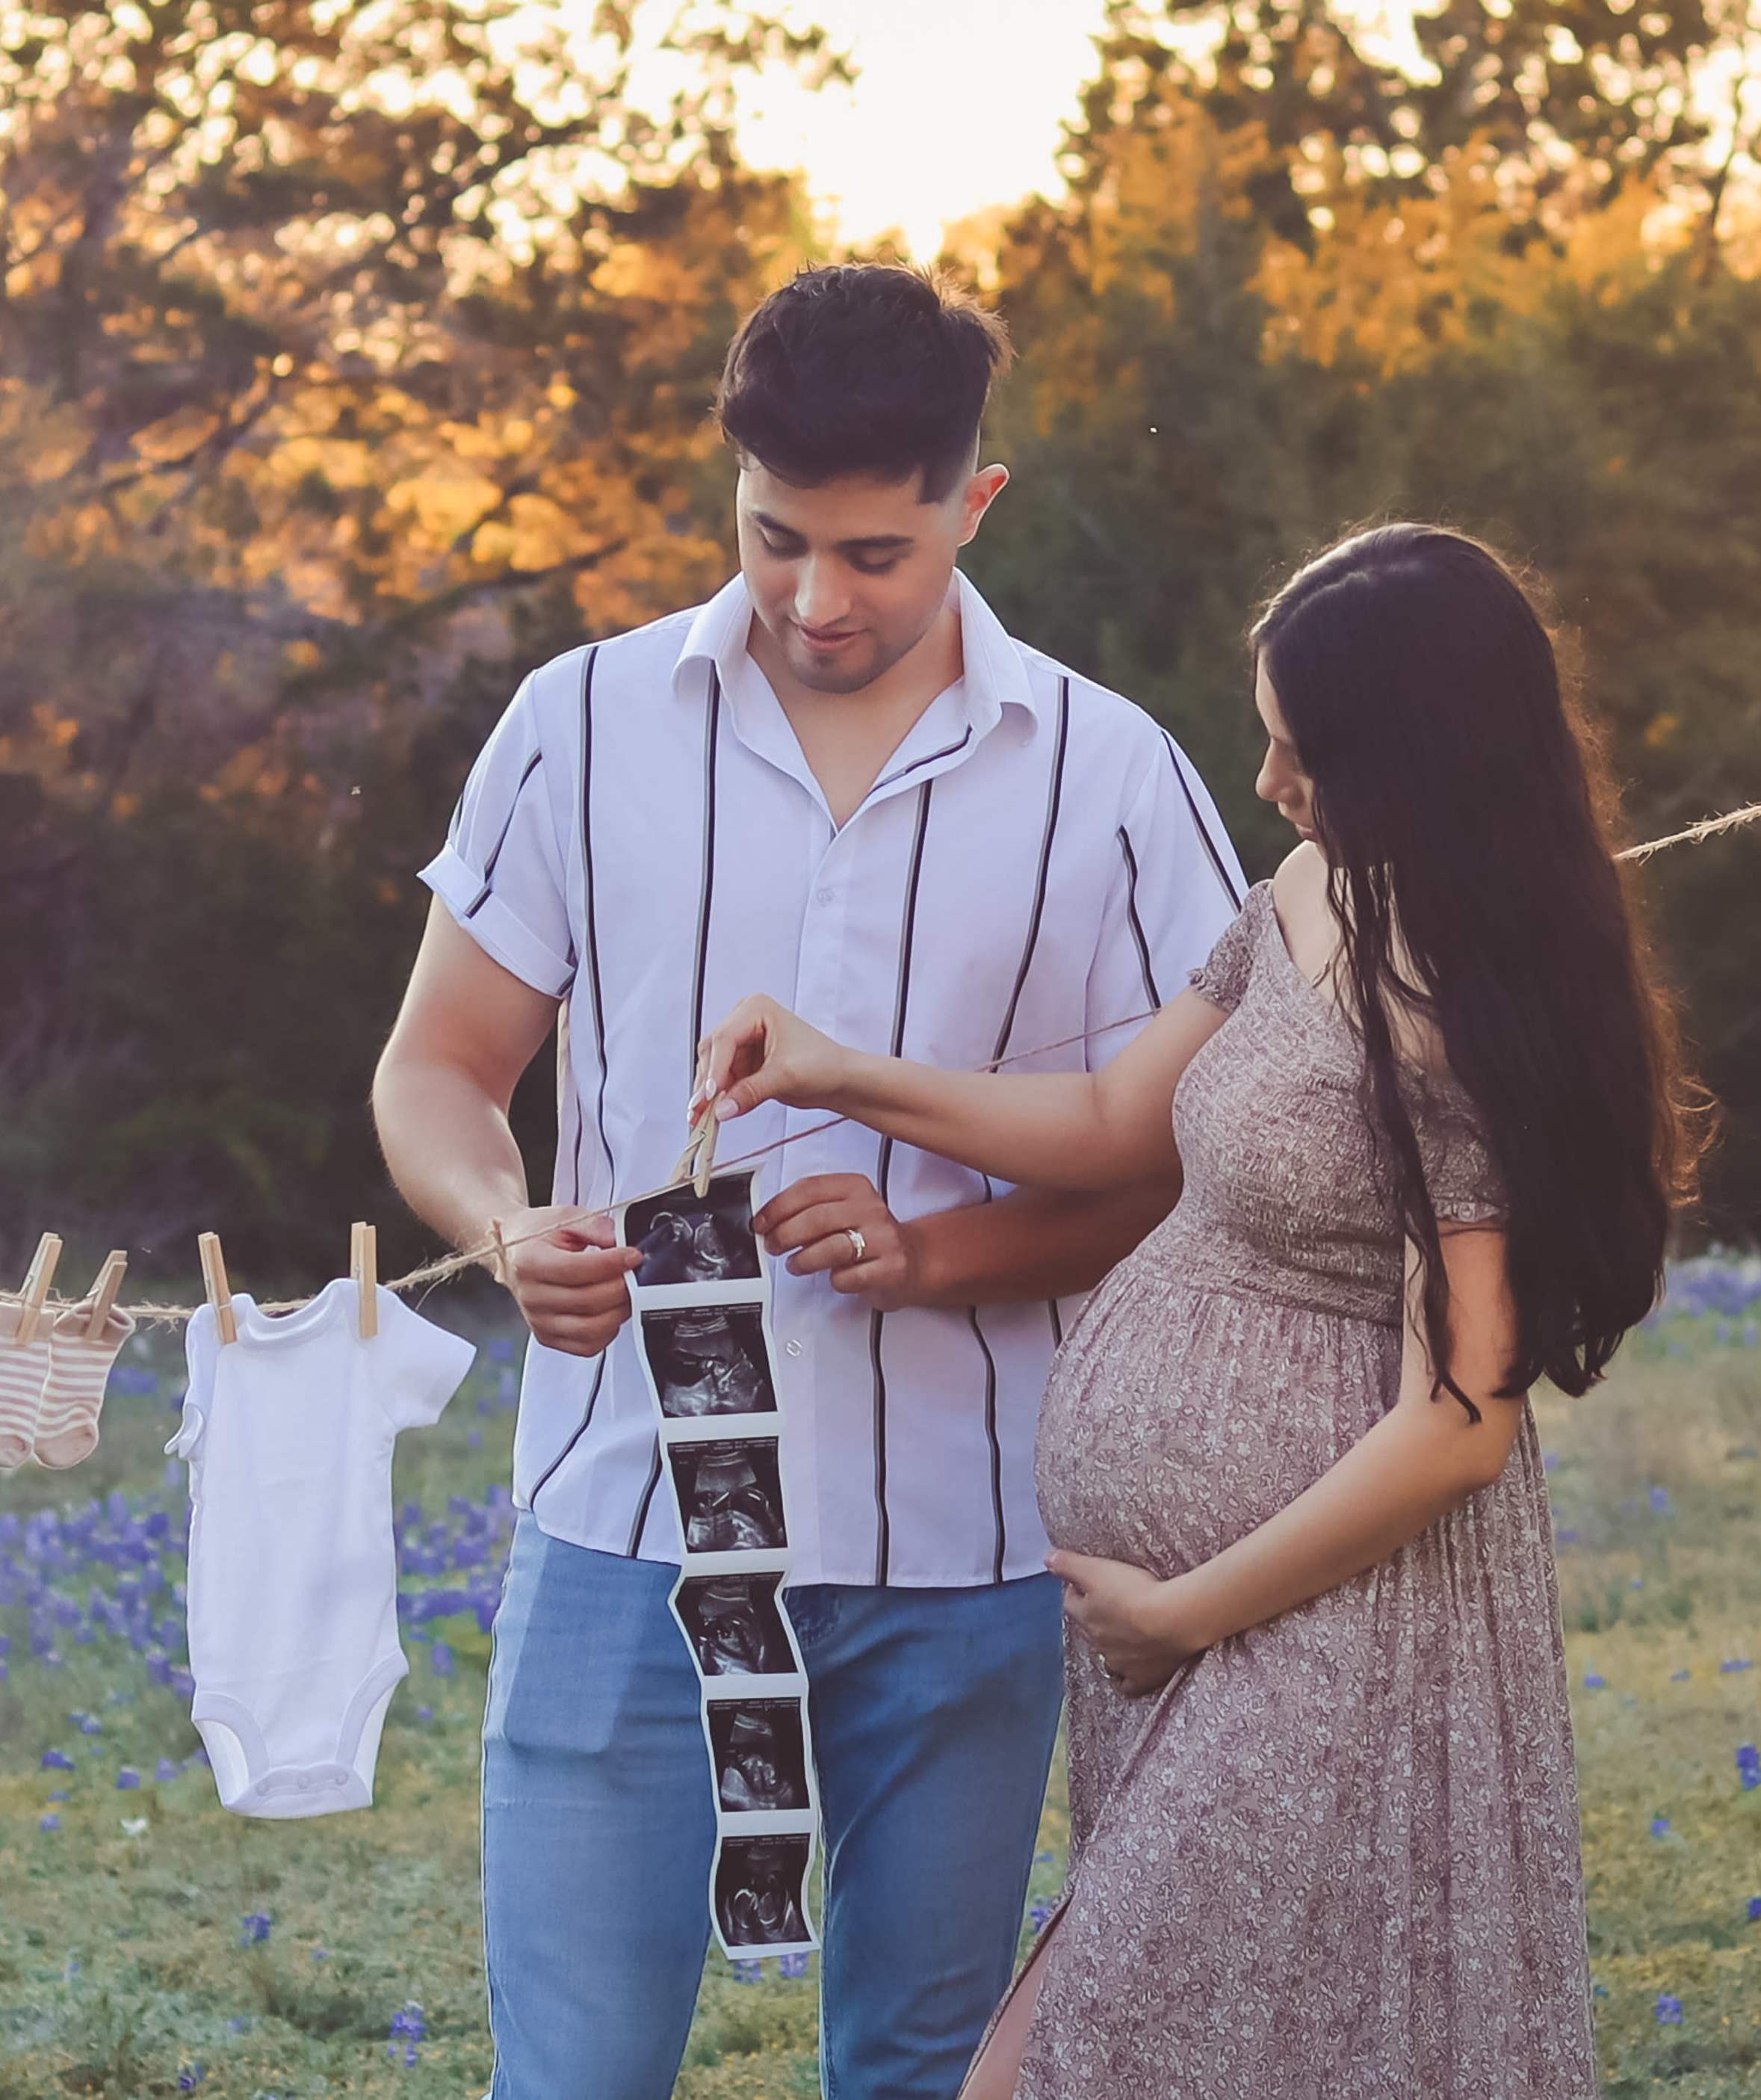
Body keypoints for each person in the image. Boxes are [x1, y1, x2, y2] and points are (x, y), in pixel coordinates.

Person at [371, 262, 1247, 2099]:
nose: (813, 598)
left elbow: (1186, 1166)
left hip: (971, 1546)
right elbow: (439, 1068)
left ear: (973, 504)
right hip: (625, 1531)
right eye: (777, 539)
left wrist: (934, 1256)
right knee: (576, 2075)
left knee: (926, 2072)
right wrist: (505, 1222)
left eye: (874, 554)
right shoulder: (578, 723)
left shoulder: (1111, 773)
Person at [693, 522, 1708, 2099]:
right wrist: (832, 1063)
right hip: (1186, 1625)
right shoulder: (1314, 889)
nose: (1268, 781)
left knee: (1068, 2068)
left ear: (1417, 762)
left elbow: (1460, 1423)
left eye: (1304, 753)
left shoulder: (1460, 1013)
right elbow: (1112, 1120)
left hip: (1322, 1624)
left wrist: (1189, 1608)